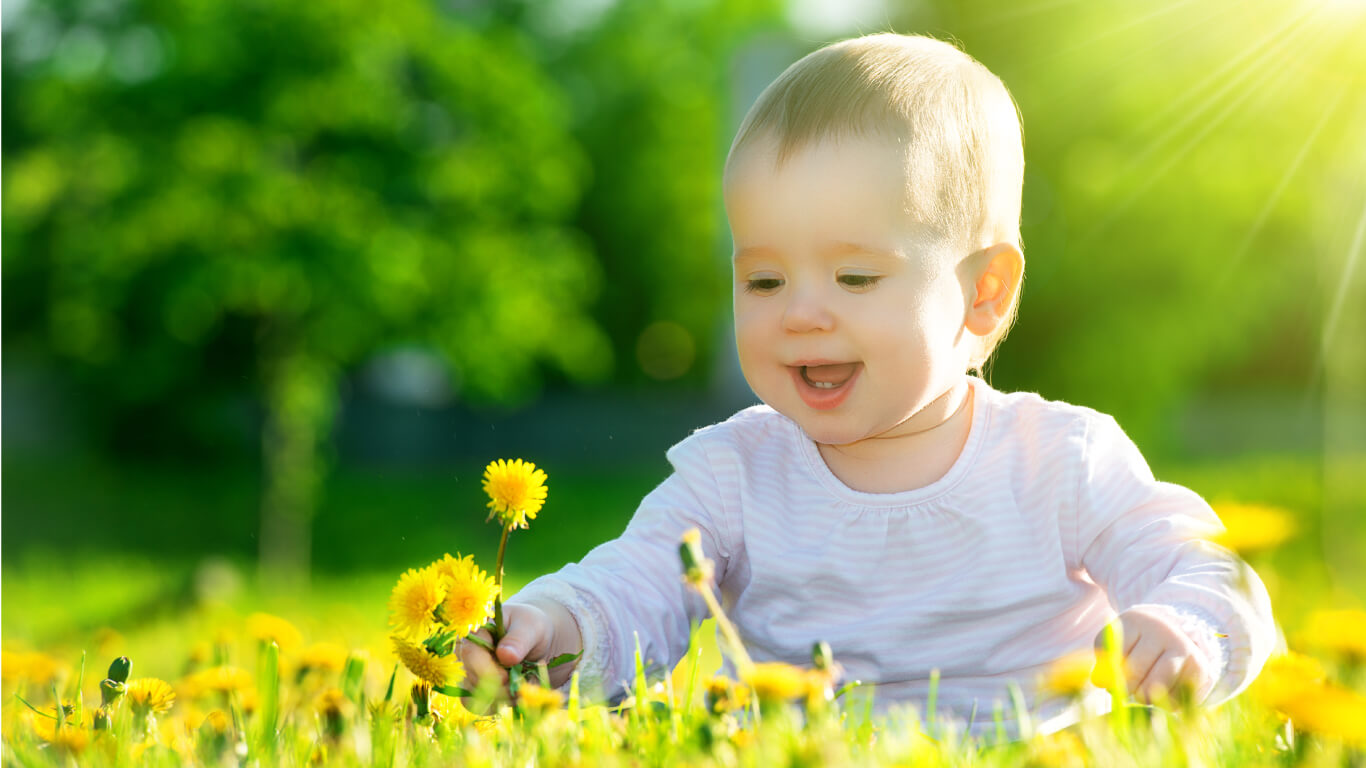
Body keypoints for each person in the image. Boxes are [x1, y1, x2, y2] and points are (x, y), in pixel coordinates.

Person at [458, 32, 1275, 734]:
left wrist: (1185, 631)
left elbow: (1205, 571)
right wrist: (556, 627)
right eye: (765, 282)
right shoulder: (734, 473)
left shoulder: (1060, 460)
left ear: (982, 294)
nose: (802, 315)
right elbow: (633, 587)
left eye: (853, 277)